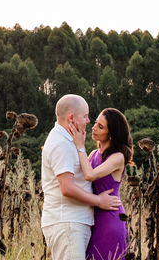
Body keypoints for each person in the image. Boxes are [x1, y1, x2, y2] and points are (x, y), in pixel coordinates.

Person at [41, 95, 122, 260]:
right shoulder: (61, 143)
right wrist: (98, 201)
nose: (88, 120)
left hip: (74, 222)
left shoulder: (68, 140)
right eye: (85, 116)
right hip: (67, 223)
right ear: (71, 118)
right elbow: (67, 188)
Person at [64, 107, 133, 260]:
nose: (93, 128)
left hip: (110, 219)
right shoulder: (94, 154)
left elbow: (89, 175)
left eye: (100, 127)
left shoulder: (118, 157)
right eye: (96, 123)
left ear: (111, 134)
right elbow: (77, 176)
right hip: (94, 218)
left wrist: (79, 145)